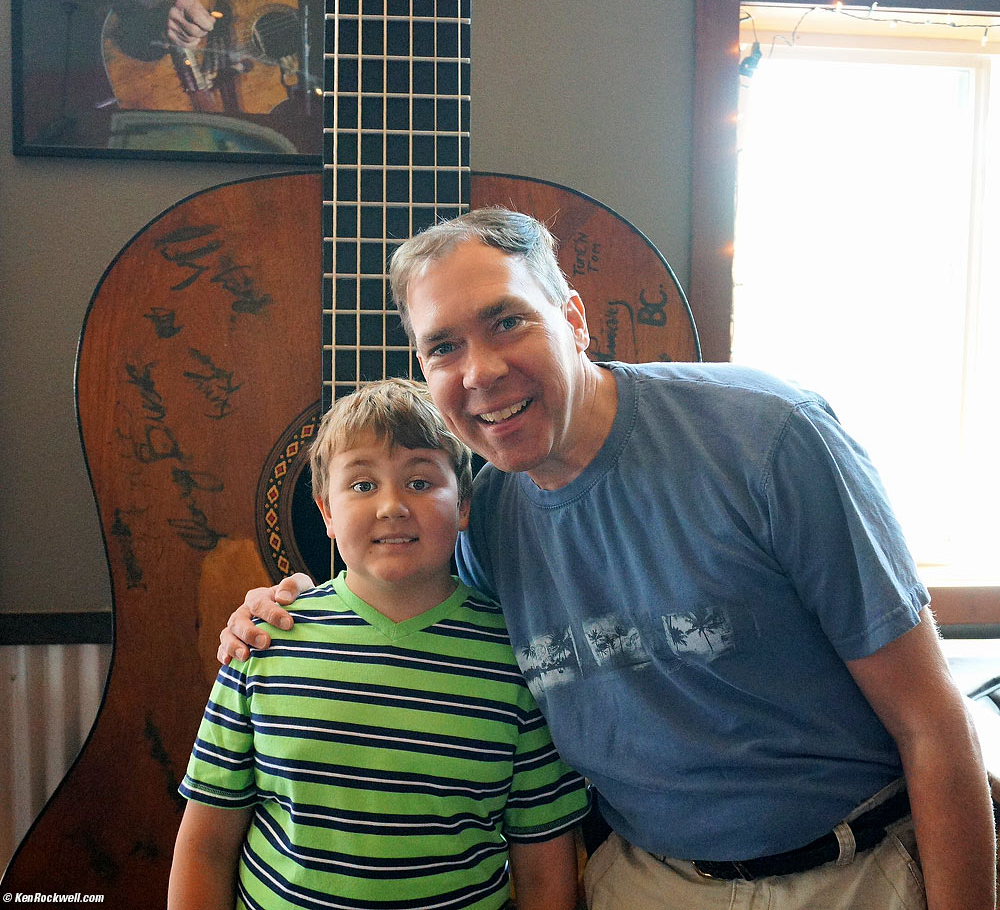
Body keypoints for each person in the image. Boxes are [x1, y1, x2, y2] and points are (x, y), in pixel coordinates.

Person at [220, 209, 997, 910]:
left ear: (574, 317)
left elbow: (932, 720)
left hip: (851, 876)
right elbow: (398, 612)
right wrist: (278, 610)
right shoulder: (483, 519)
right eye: (444, 347)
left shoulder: (768, 437)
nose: (481, 371)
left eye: (506, 322)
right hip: (638, 880)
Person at [170, 378, 589, 910]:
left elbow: (544, 866)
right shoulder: (264, 639)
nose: (392, 506)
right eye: (363, 485)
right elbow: (205, 845)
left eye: (419, 481)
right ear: (325, 512)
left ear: (463, 506)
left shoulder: (517, 657)